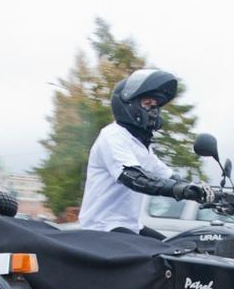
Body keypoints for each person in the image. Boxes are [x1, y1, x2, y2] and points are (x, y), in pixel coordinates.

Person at [78, 69, 214, 239]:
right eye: (148, 104)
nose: (153, 111)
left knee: (177, 247)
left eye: (156, 106)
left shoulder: (141, 147)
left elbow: (167, 175)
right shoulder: (112, 136)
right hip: (102, 228)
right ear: (128, 104)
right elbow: (135, 177)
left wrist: (203, 191)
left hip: (130, 226)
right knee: (163, 252)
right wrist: (180, 190)